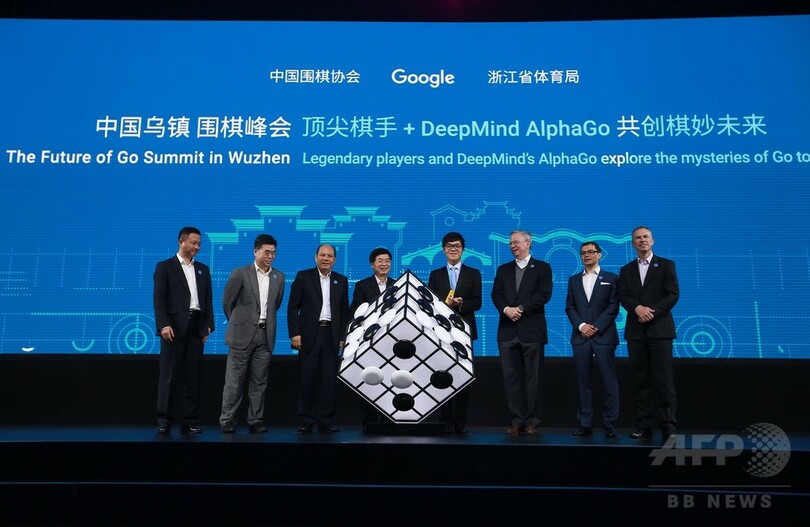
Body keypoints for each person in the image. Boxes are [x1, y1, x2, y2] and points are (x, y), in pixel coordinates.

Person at [618, 226, 680, 440]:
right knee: (640, 381)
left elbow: (673, 294)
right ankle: (644, 426)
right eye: (638, 238)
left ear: (652, 241)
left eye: (645, 237)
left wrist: (651, 311)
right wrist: (637, 308)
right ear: (632, 243)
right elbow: (623, 296)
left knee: (664, 381)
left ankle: (668, 427)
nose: (642, 240)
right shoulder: (626, 270)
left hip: (660, 330)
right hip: (636, 332)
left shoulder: (666, 265)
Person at [219, 234, 285, 434]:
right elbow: (227, 302)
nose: (270, 256)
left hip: (265, 336)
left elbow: (275, 305)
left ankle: (255, 419)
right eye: (267, 252)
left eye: (273, 253)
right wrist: (240, 323)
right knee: (234, 381)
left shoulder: (279, 277)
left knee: (259, 381)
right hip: (241, 335)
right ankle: (227, 420)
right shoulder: (240, 273)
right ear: (255, 251)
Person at [153, 226, 214, 435]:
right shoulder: (165, 267)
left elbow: (208, 299)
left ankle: (190, 420)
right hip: (173, 328)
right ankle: (165, 420)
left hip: (197, 328)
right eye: (194, 243)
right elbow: (159, 299)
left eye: (199, 244)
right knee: (169, 376)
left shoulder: (203, 269)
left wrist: (208, 325)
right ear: (181, 242)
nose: (197, 247)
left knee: (193, 377)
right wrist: (163, 324)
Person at [491, 230, 552, 436]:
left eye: (516, 242)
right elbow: (496, 294)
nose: (512, 246)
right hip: (507, 331)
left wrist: (521, 309)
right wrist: (506, 309)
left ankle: (532, 422)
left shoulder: (542, 267)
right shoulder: (503, 269)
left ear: (528, 243)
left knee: (533, 379)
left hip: (532, 331)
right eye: (510, 243)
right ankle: (517, 421)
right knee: (511, 380)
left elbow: (544, 294)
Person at [287, 243, 350, 433]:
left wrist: (342, 336)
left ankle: (326, 421)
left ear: (335, 260)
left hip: (331, 335)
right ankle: (306, 420)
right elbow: (292, 308)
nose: (326, 258)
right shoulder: (303, 277)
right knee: (307, 379)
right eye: (322, 255)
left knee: (329, 382)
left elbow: (344, 312)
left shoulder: (341, 280)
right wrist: (295, 333)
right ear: (316, 257)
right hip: (308, 336)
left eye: (330, 256)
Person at [428, 232, 482, 434]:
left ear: (463, 249)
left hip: (464, 332)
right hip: (442, 332)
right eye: (449, 246)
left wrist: (461, 304)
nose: (453, 249)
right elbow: (429, 303)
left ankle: (460, 421)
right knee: (442, 375)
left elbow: (477, 302)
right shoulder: (436, 275)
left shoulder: (473, 273)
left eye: (457, 246)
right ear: (443, 249)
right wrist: (445, 303)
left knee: (462, 377)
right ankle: (445, 420)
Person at [564, 242, 620, 439]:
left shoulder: (611, 278)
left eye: (590, 252)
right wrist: (582, 326)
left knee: (609, 381)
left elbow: (613, 306)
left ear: (599, 254)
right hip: (581, 337)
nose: (586, 255)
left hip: (604, 336)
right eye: (583, 253)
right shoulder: (573, 280)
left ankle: (609, 424)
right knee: (582, 382)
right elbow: (570, 307)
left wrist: (595, 326)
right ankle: (585, 424)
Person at [350, 247, 394, 432]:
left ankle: (388, 419)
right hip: (369, 341)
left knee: (390, 381)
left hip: (391, 341)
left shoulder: (398, 284)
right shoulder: (363, 285)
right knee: (370, 380)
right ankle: (369, 421)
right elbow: (355, 312)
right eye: (380, 261)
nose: (384, 264)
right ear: (372, 264)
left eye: (387, 261)